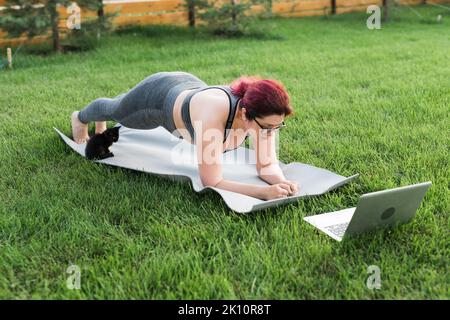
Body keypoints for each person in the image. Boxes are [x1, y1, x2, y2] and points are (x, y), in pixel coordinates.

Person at [71, 71, 298, 200]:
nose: (272, 133)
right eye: (268, 128)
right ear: (245, 114)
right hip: (159, 98)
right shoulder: (213, 117)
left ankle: (114, 110)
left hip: (188, 87)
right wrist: (263, 193)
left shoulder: (263, 118)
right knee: (118, 110)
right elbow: (212, 180)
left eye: (278, 126)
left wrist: (282, 182)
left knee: (123, 106)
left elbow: (267, 166)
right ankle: (80, 117)